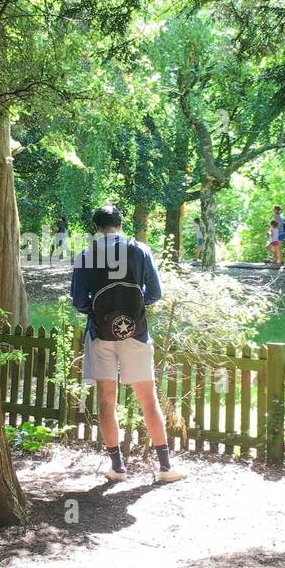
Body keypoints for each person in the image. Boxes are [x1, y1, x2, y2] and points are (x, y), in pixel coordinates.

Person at [71, 204, 185, 483]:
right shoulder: (140, 250)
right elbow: (155, 293)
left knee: (107, 401)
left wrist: (101, 314)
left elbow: (79, 301)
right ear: (120, 224)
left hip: (100, 335)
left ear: (96, 227)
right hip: (136, 333)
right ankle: (165, 468)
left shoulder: (87, 254)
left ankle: (118, 467)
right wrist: (130, 310)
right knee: (148, 400)